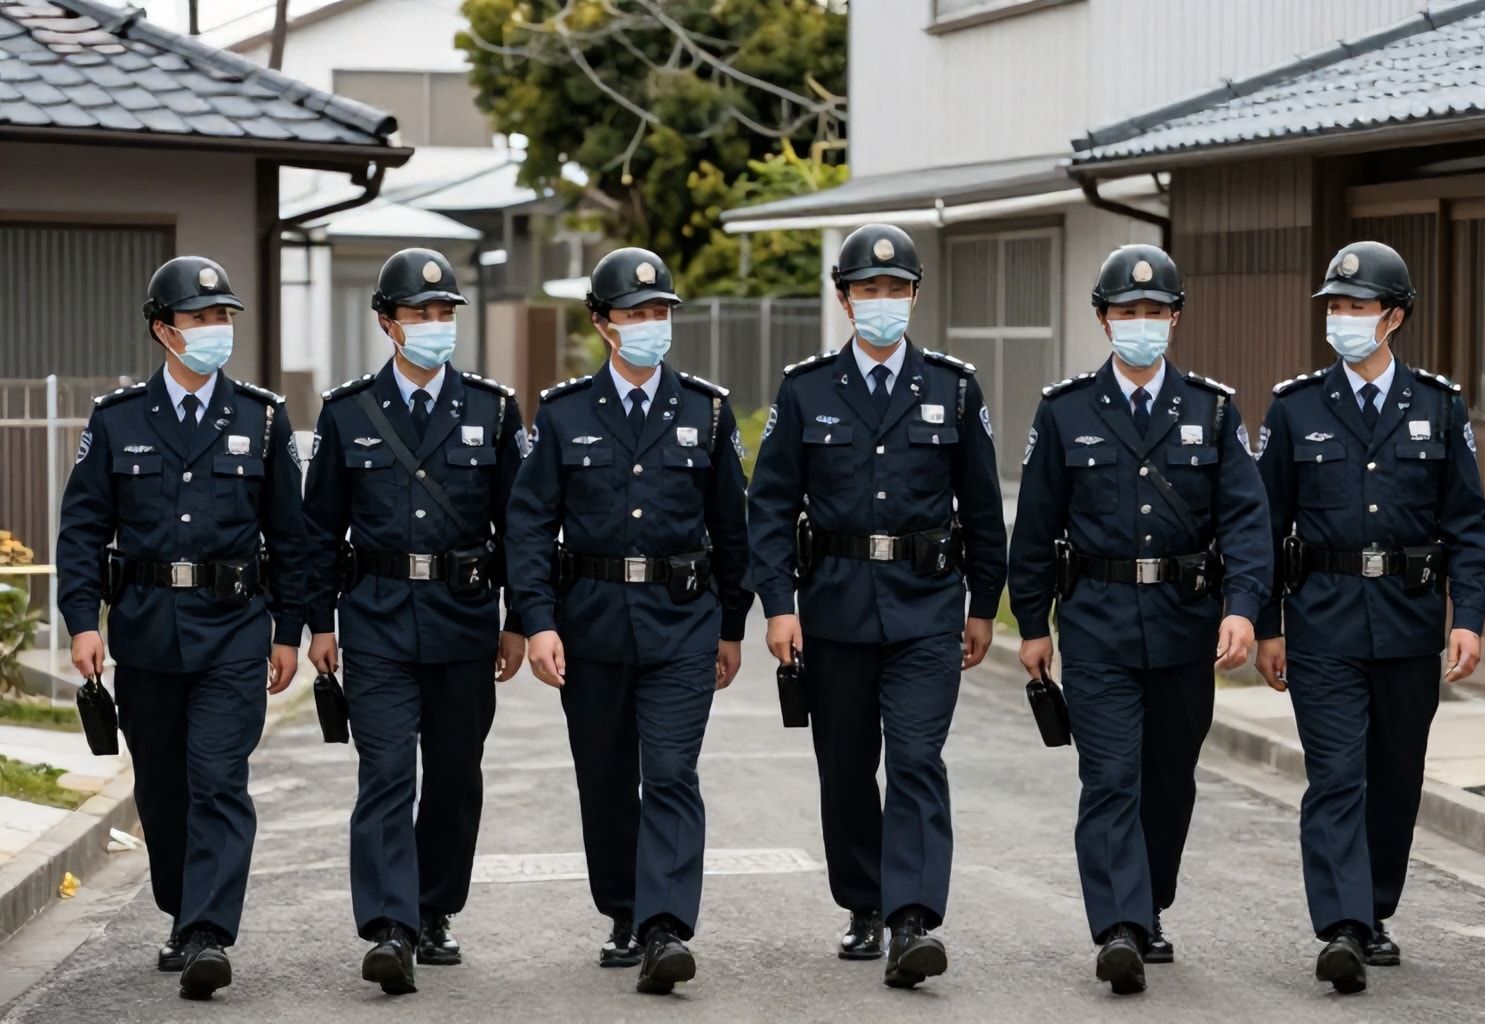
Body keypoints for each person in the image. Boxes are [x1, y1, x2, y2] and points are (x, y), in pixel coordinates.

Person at [746, 223, 1007, 989]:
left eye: (896, 290)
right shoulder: (806, 390)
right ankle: (863, 900)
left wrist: (984, 604)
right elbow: (770, 507)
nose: (883, 302)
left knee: (919, 759)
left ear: (915, 296)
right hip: (834, 610)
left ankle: (913, 917)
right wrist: (778, 604)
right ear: (844, 298)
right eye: (869, 290)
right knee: (847, 765)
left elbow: (984, 508)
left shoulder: (954, 389)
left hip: (928, 608)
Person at [1008, 243, 1272, 995]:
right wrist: (1031, 625)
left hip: (1186, 624)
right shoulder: (1064, 412)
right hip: (1095, 625)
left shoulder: (1212, 411)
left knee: (1169, 779)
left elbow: (1247, 523)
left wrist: (1244, 608)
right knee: (1110, 777)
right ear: (1103, 319)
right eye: (1128, 312)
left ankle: (1148, 901)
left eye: (1156, 312)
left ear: (1176, 320)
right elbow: (1035, 528)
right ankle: (1119, 925)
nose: (1142, 324)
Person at [56, 256, 309, 1000]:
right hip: (144, 634)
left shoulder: (261, 418)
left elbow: (291, 537)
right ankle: (180, 909)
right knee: (163, 790)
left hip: (233, 633)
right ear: (164, 331)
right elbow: (81, 530)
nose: (215, 331)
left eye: (223, 318)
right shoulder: (118, 420)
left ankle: (207, 933)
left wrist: (289, 630)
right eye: (200, 320)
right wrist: (80, 622)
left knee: (219, 780)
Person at [507, 247, 752, 995]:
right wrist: (538, 621)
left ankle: (666, 926)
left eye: (661, 312)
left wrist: (732, 625)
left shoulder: (706, 410)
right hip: (591, 625)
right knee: (607, 779)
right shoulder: (563, 413)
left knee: (673, 773)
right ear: (602, 323)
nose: (651, 324)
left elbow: (732, 530)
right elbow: (527, 525)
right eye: (636, 312)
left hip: (682, 623)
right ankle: (623, 910)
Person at [1252, 241, 1485, 994]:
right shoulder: (1294, 408)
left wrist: (1469, 616)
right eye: (1335, 305)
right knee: (1335, 776)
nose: (1343, 318)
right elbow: (1261, 524)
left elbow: (1469, 522)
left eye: (1358, 307)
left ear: (1393, 316)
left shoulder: (1438, 405)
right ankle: (1343, 926)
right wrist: (1266, 623)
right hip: (1321, 621)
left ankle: (1375, 909)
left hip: (1409, 620)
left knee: (1395, 776)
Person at [301, 248, 526, 994]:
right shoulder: (348, 413)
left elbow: (520, 527)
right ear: (387, 322)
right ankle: (390, 926)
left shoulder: (493, 410)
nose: (436, 324)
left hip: (465, 624)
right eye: (421, 313)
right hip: (376, 622)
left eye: (445, 313)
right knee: (388, 772)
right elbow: (317, 530)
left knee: (457, 777)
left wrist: (520, 620)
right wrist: (318, 624)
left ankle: (434, 911)